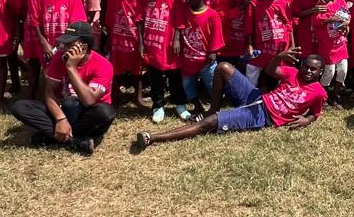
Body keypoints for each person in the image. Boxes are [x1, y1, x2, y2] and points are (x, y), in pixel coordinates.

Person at [133, 49, 325, 152]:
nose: (308, 71)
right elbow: (270, 71)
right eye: (306, 67)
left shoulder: (318, 92)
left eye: (313, 69)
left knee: (209, 123)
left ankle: (154, 138)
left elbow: (316, 113)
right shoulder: (293, 73)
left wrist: (306, 120)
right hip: (256, 97)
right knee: (223, 67)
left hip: (262, 116)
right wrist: (278, 57)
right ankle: (213, 107)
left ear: (320, 72)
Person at [11, 22, 117, 155]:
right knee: (21, 107)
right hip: (65, 109)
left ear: (83, 47)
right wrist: (61, 118)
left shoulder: (103, 65)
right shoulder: (59, 58)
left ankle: (56, 136)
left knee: (105, 112)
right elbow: (49, 92)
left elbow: (89, 101)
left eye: (68, 44)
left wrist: (71, 68)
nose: (62, 47)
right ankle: (75, 140)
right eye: (63, 43)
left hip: (88, 116)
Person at [22, 0, 86, 99]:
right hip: (46, 41)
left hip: (67, 40)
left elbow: (77, 18)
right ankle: (49, 101)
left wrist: (67, 41)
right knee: (49, 73)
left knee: (68, 71)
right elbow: (34, 21)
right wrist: (44, 43)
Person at [174, 0, 224, 114]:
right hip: (188, 59)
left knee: (212, 84)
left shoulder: (212, 15)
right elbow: (179, 26)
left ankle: (216, 105)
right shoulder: (184, 10)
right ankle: (196, 104)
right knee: (187, 85)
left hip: (205, 60)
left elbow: (216, 35)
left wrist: (213, 51)